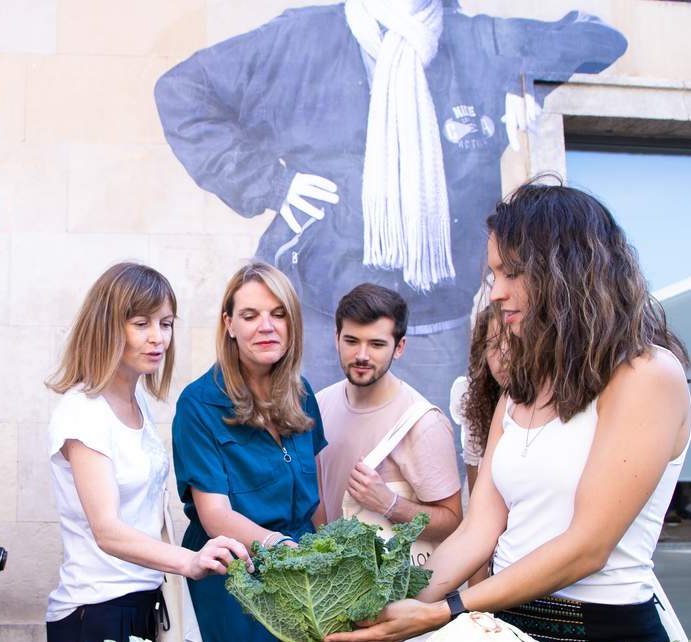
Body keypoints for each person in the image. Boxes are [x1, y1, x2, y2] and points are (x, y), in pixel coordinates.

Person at [154, 0, 626, 409]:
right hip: (321, 313)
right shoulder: (303, 38)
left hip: (434, 322)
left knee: (437, 475)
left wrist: (525, 83)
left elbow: (602, 39)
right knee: (311, 471)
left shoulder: (481, 42)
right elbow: (183, 91)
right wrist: (270, 183)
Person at [321, 180, 691, 642]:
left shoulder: (646, 375)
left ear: (568, 272)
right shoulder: (522, 389)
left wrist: (444, 611)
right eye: (493, 272)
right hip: (507, 630)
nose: (495, 292)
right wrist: (372, 614)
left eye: (510, 273)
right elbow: (478, 531)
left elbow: (588, 547)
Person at [44, 263, 247, 642]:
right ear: (107, 326)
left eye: (166, 323)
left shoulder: (137, 404)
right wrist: (190, 561)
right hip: (97, 613)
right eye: (141, 324)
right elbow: (108, 531)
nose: (158, 338)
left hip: (144, 603)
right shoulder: (83, 412)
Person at [172, 262, 326, 642]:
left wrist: (329, 567)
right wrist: (282, 548)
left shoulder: (303, 394)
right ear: (229, 324)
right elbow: (215, 515)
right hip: (237, 585)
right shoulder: (199, 404)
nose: (267, 327)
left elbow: (317, 499)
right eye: (251, 315)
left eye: (279, 314)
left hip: (298, 584)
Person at [315, 283, 461, 642]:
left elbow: (452, 520)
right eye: (352, 341)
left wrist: (387, 503)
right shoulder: (319, 406)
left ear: (399, 347)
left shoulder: (421, 421)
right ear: (337, 339)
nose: (363, 354)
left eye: (377, 343)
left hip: (396, 617)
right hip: (336, 603)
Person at [449, 303, 508, 493]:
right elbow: (476, 496)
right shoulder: (472, 397)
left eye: (515, 343)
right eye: (494, 345)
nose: (505, 357)